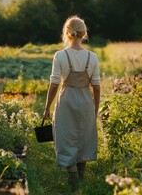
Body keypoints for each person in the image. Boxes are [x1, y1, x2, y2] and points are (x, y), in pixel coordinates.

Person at [43, 15, 101, 192]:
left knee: (65, 136)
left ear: (67, 33)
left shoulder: (60, 56)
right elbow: (97, 87)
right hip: (85, 100)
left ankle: (74, 184)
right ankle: (81, 180)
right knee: (84, 135)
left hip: (66, 100)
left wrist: (47, 107)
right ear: (84, 34)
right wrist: (95, 109)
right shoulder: (92, 57)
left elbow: (54, 84)